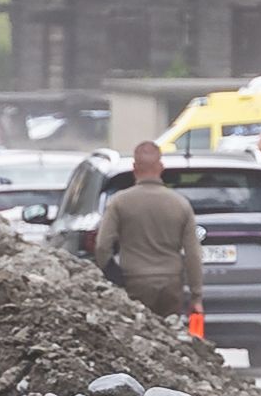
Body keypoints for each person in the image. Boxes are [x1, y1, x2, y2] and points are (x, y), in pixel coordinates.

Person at [88, 140, 205, 339]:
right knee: (169, 338)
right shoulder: (180, 204)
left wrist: (111, 274)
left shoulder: (119, 202)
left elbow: (102, 245)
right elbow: (193, 254)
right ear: (161, 167)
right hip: (171, 284)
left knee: (139, 339)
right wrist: (196, 296)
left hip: (134, 282)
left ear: (134, 168)